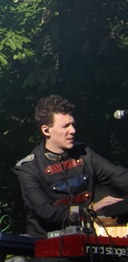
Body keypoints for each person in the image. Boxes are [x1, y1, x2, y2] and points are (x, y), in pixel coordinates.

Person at [14, 94, 128, 246]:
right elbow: (45, 211)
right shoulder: (28, 168)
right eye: (65, 126)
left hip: (87, 243)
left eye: (73, 124)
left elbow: (120, 176)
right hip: (47, 248)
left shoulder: (85, 154)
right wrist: (90, 210)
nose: (73, 130)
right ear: (46, 130)